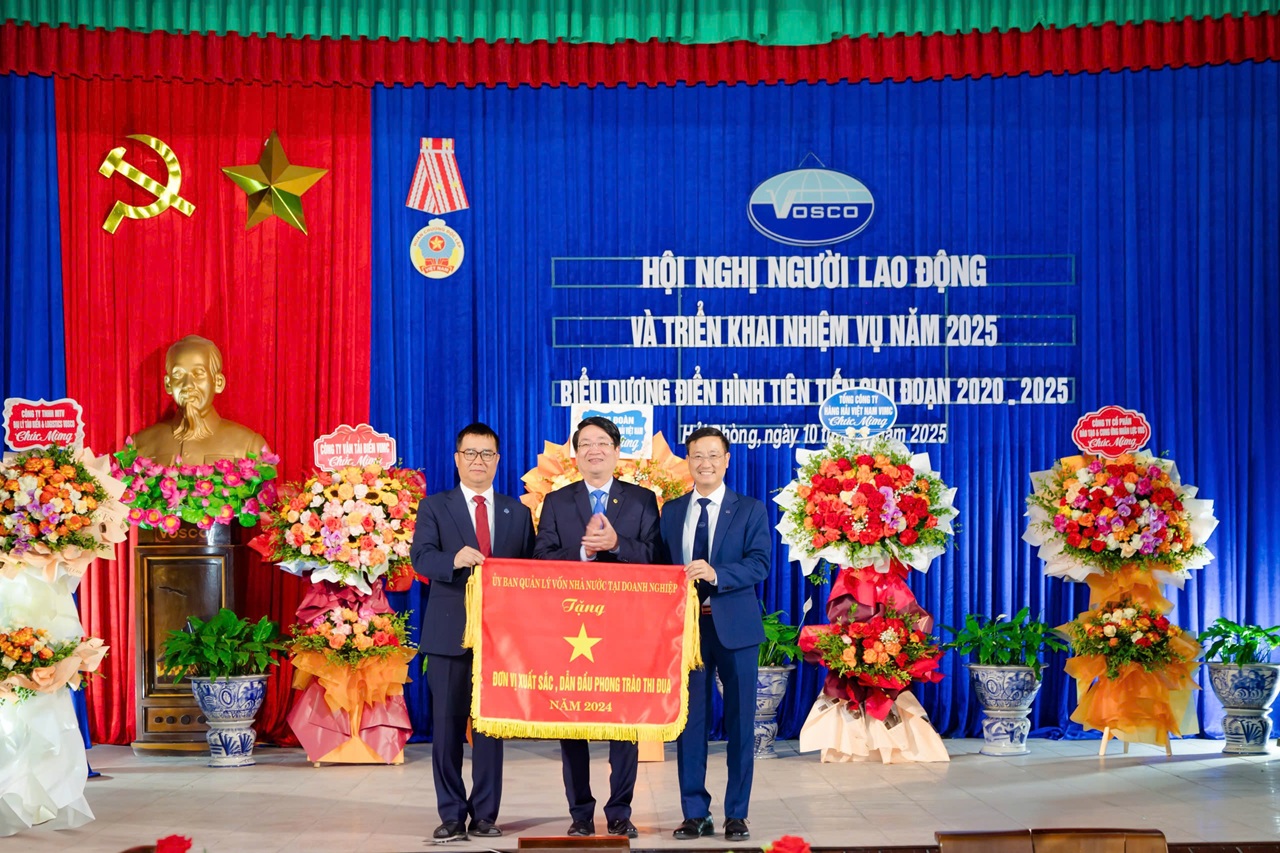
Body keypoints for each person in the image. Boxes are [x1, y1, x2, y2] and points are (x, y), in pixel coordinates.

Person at [532, 416, 661, 838]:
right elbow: (541, 558)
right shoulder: (557, 501)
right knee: (573, 724)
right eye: (585, 443)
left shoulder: (642, 500)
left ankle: (620, 811)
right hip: (571, 628)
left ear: (617, 450)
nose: (594, 450)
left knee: (623, 722)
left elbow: (657, 558)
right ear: (576, 453)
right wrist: (585, 552)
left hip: (625, 629)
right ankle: (580, 813)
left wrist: (618, 545)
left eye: (602, 442)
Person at [410, 423, 535, 844]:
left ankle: (485, 814)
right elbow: (421, 558)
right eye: (470, 453)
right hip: (449, 635)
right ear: (457, 458)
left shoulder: (516, 512)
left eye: (487, 454)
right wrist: (453, 559)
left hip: (499, 639)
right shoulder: (434, 507)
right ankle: (450, 814)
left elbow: (530, 572)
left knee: (490, 731)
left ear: (498, 460)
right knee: (446, 729)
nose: (478, 461)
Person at [658, 427, 771, 843]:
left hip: (735, 627)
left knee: (741, 723)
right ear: (688, 461)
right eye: (697, 456)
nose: (704, 463)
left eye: (712, 455)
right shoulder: (672, 511)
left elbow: (760, 563)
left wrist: (716, 573)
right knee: (691, 724)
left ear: (726, 460)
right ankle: (695, 813)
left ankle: (736, 814)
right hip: (687, 630)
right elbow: (659, 566)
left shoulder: (750, 509)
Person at [129, 335, 269, 464]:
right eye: (178, 375)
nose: (188, 385)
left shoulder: (250, 447)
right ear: (168, 384)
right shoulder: (137, 447)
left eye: (198, 373)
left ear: (218, 382)